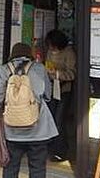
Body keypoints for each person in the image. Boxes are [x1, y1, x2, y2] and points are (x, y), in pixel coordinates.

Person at [0, 43, 58, 178]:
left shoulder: (5, 69)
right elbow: (47, 95)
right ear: (29, 54)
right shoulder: (39, 68)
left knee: (10, 167)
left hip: (12, 131)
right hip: (38, 130)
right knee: (37, 168)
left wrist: (6, 107)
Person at [44, 29, 76, 161]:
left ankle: (61, 151)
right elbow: (48, 65)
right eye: (49, 45)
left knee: (59, 121)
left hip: (63, 90)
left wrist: (57, 74)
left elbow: (72, 74)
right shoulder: (49, 52)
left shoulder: (69, 53)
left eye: (52, 45)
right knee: (51, 119)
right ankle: (52, 148)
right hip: (51, 89)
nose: (51, 48)